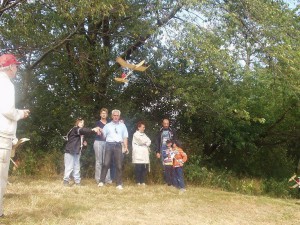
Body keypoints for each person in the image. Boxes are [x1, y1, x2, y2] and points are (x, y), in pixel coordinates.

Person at [0, 53, 30, 217]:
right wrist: (21, 113)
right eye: (16, 66)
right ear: (10, 66)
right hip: (2, 136)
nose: (17, 68)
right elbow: (7, 110)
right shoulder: (6, 84)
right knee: (1, 175)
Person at [63, 117, 99, 186]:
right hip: (70, 151)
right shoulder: (75, 129)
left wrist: (84, 145)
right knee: (69, 167)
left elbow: (80, 143)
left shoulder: (81, 133)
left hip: (77, 152)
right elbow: (83, 131)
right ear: (77, 123)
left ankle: (77, 182)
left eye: (83, 123)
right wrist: (92, 130)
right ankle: (66, 181)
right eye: (81, 122)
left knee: (77, 167)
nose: (82, 124)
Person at [98, 109, 128, 190]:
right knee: (106, 163)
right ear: (112, 116)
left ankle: (119, 183)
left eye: (117, 115)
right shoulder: (107, 126)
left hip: (118, 145)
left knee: (119, 165)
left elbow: (125, 137)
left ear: (119, 116)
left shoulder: (123, 126)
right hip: (109, 145)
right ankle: (101, 181)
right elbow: (103, 136)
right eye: (114, 115)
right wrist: (100, 132)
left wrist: (126, 147)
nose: (115, 117)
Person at [93, 108, 112, 185]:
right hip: (98, 142)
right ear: (100, 114)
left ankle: (107, 179)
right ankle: (98, 179)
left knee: (106, 162)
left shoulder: (109, 124)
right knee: (99, 161)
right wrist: (100, 130)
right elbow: (99, 133)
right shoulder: (97, 123)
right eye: (102, 113)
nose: (104, 114)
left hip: (107, 143)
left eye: (105, 113)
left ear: (107, 115)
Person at [155, 118, 176, 183]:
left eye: (167, 123)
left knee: (171, 166)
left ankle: (172, 181)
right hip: (162, 151)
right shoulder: (160, 131)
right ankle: (166, 181)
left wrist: (175, 148)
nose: (166, 125)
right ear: (162, 124)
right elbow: (157, 142)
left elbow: (175, 140)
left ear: (169, 124)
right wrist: (157, 152)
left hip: (170, 151)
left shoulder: (172, 131)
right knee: (164, 166)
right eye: (165, 123)